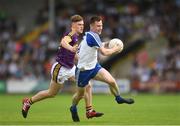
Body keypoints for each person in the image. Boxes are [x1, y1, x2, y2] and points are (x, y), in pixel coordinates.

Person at [21, 15, 103, 119]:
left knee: (87, 86)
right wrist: (71, 48)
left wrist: (82, 59)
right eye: (79, 25)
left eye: (82, 24)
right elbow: (63, 42)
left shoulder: (76, 36)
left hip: (71, 68)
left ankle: (89, 111)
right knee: (51, 93)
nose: (82, 26)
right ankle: (28, 102)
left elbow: (73, 55)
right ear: (73, 25)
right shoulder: (71, 34)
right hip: (60, 68)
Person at [70, 16, 134, 122]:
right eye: (98, 26)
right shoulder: (92, 36)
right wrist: (116, 49)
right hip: (83, 71)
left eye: (101, 26)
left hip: (94, 67)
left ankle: (118, 98)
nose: (100, 28)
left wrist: (108, 44)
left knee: (111, 81)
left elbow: (97, 45)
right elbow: (104, 52)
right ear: (91, 26)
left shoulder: (92, 36)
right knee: (80, 95)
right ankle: (73, 107)